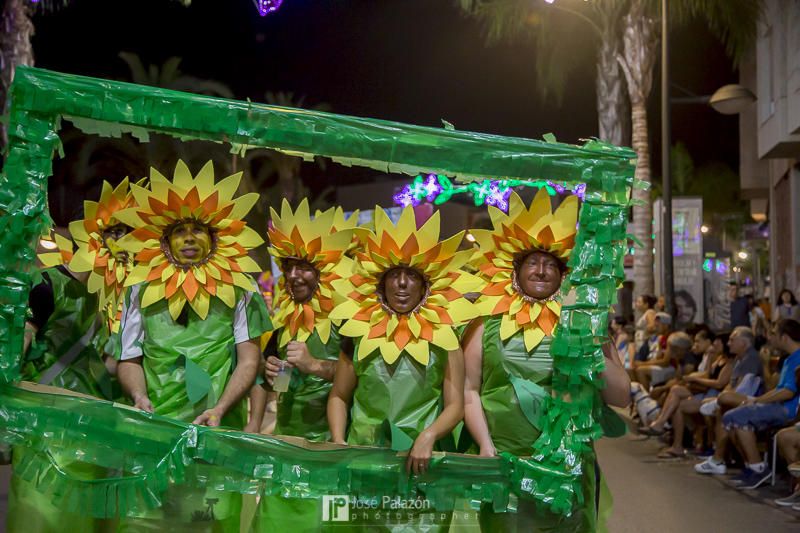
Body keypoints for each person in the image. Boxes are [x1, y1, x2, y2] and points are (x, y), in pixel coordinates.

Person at [115, 161, 271, 531]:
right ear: (163, 240)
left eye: (198, 229)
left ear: (216, 237)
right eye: (179, 230)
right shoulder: (138, 287)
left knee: (206, 524)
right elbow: (128, 357)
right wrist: (138, 397)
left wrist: (220, 408)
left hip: (213, 435)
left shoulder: (241, 290)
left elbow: (250, 361)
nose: (188, 238)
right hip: (152, 433)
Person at [461, 190, 629, 532]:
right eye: (532, 262)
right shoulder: (486, 323)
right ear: (515, 270)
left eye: (551, 263)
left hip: (567, 471)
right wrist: (485, 446)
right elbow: (469, 390)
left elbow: (621, 395)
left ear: (564, 273)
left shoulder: (586, 323)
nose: (541, 270)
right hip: (504, 466)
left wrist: (589, 343)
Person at [327, 205, 474, 531]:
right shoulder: (356, 331)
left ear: (426, 285)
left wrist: (429, 436)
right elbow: (339, 395)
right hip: (363, 463)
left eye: (412, 276)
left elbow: (456, 406)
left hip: (421, 466)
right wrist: (338, 442)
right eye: (395, 275)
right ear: (381, 283)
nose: (403, 284)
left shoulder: (446, 336)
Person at [252, 200, 355, 530]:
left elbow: (367, 380)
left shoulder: (349, 319)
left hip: (333, 452)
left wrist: (315, 365)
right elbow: (276, 388)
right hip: (287, 450)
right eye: (288, 265)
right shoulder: (285, 318)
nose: (293, 275)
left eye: (304, 266)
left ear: (325, 270)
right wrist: (276, 375)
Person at [715, 319, 800, 489]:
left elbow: (788, 392)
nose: (770, 337)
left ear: (785, 337)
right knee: (732, 415)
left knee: (737, 416)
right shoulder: (789, 359)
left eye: (774, 333)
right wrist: (755, 400)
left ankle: (758, 468)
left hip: (788, 410)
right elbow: (776, 388)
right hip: (779, 406)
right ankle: (752, 466)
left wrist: (758, 401)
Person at [694, 326, 765, 477]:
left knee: (724, 405)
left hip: (753, 400)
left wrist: (722, 397)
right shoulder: (740, 359)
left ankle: (718, 459)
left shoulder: (751, 358)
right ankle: (718, 459)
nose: (728, 343)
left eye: (733, 340)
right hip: (740, 398)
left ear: (744, 343)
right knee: (722, 406)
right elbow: (730, 386)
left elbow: (744, 389)